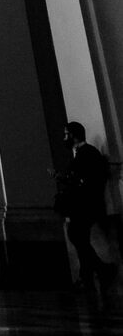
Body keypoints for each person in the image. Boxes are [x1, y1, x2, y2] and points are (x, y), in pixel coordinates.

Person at [53, 121, 117, 292]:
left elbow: (89, 179)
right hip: (82, 204)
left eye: (66, 134)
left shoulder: (87, 153)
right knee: (79, 238)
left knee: (77, 236)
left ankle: (100, 269)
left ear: (73, 135)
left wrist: (71, 181)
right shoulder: (80, 153)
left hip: (86, 205)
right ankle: (90, 273)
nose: (64, 137)